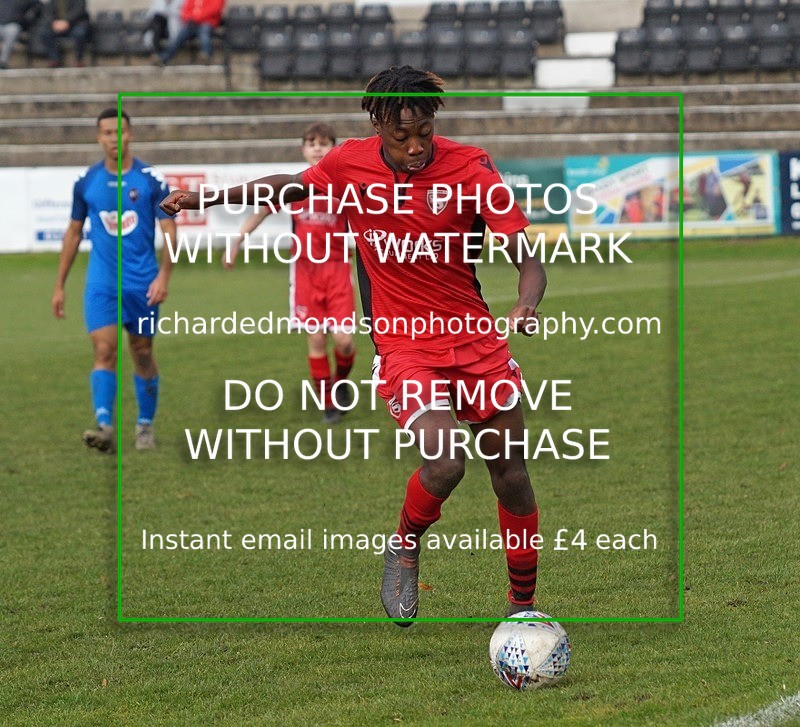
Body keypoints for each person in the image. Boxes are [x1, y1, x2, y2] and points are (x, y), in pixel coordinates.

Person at [159, 66, 547, 625]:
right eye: (401, 136)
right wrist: (208, 196)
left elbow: (525, 257)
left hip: (476, 340)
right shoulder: (348, 163)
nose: (415, 147)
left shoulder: (471, 166)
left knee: (510, 472)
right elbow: (285, 186)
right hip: (406, 345)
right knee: (445, 463)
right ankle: (406, 543)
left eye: (424, 133)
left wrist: (526, 305)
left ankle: (524, 610)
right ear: (377, 125)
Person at [52, 108, 177, 453]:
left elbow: (170, 229)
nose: (114, 139)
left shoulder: (152, 179)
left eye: (119, 132)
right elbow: (74, 233)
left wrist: (164, 274)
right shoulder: (86, 182)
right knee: (104, 350)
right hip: (102, 284)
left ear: (129, 134)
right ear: (98, 137)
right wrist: (59, 284)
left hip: (143, 284)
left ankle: (145, 425)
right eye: (107, 133)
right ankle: (104, 425)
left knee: (142, 352)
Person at [222, 122, 357, 424]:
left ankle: (341, 382)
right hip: (305, 273)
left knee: (345, 341)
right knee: (317, 340)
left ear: (334, 148)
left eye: (323, 143)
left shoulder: (345, 188)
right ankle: (329, 406)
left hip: (337, 270)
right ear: (303, 149)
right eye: (311, 143)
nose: (317, 148)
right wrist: (237, 240)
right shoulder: (295, 185)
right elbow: (261, 210)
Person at [156, 0, 224, 66]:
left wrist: (196, 18)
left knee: (204, 32)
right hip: (192, 23)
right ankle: (164, 57)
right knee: (180, 36)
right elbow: (185, 10)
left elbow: (214, 10)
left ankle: (206, 55)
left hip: (208, 21)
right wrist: (189, 18)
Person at [35, 0, 91, 67]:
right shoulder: (53, 2)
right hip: (57, 26)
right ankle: (55, 59)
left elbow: (79, 11)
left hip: (75, 24)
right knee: (44, 33)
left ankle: (79, 59)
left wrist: (67, 22)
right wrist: (53, 23)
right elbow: (47, 13)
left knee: (80, 33)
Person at [0, 0, 41, 69]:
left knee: (12, 30)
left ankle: (2, 62)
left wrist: (28, 19)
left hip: (13, 25)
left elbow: (38, 7)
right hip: (1, 25)